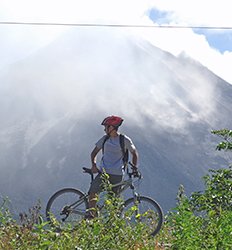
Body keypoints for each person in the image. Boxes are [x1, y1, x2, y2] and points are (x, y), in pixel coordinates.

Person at [87, 115, 139, 218]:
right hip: (104, 173)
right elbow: (93, 153)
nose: (104, 129)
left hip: (117, 175)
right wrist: (93, 165)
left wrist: (134, 168)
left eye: (106, 126)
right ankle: (91, 217)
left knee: (113, 202)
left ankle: (110, 225)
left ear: (112, 127)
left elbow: (134, 153)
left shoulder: (124, 140)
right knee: (93, 193)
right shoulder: (104, 139)